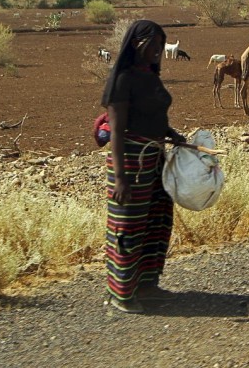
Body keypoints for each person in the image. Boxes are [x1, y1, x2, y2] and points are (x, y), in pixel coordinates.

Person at [99, 19, 185, 314]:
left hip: (155, 159)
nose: (161, 50)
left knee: (155, 224)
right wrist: (120, 179)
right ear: (138, 43)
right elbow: (117, 132)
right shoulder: (123, 79)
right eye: (156, 44)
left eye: (163, 45)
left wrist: (170, 134)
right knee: (128, 228)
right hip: (131, 163)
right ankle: (121, 293)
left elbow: (152, 114)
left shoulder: (149, 75)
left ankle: (147, 285)